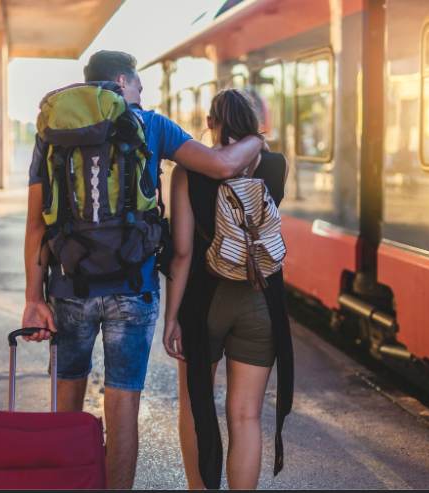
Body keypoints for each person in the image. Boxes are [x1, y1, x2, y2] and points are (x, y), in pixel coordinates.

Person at [21, 51, 265, 490]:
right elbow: (223, 165)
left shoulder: (52, 130)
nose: (141, 94)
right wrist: (258, 140)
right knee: (122, 406)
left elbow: (37, 223)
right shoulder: (150, 124)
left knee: (66, 404)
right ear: (122, 81)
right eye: (139, 86)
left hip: (69, 286)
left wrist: (33, 300)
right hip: (132, 289)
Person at [163, 89, 294, 489]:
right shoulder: (274, 166)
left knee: (195, 408)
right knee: (246, 416)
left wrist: (172, 318)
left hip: (205, 303)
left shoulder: (187, 171)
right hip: (260, 300)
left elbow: (182, 253)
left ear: (210, 122)